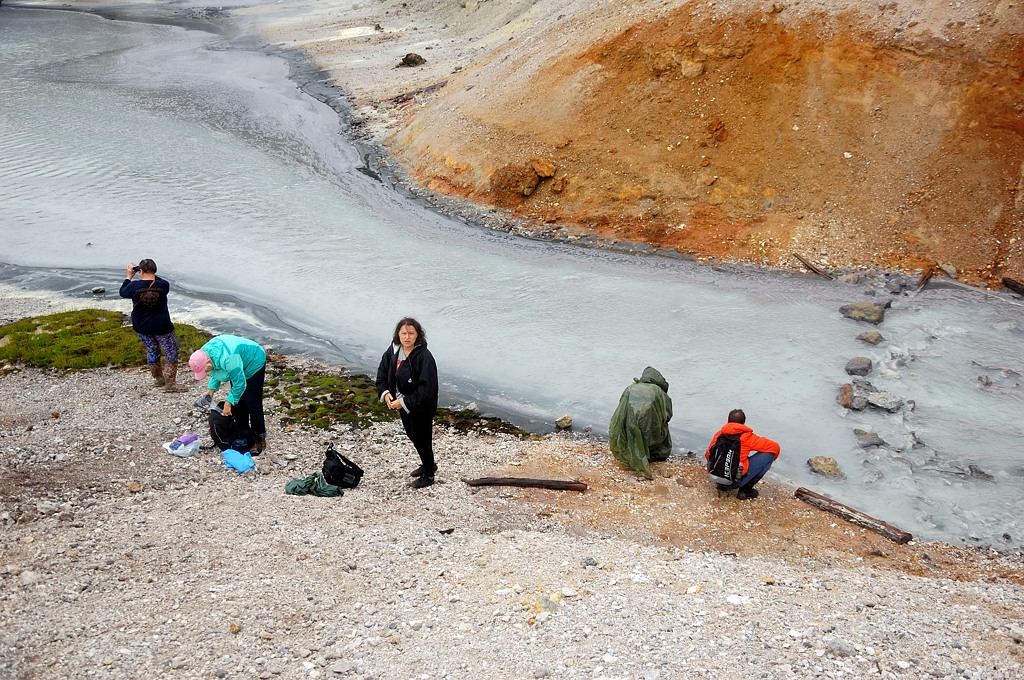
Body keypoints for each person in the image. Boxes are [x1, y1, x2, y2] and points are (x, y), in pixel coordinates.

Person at [375, 317, 439, 489]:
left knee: (421, 437)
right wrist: (386, 393)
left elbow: (427, 390)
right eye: (403, 333)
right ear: (398, 334)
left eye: (411, 333)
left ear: (418, 335)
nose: (407, 337)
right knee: (412, 434)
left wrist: (403, 402)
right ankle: (429, 464)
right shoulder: (393, 351)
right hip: (402, 402)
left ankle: (429, 475)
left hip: (421, 405)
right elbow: (381, 374)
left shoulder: (424, 357)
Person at [189, 335, 268, 454]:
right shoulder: (204, 353)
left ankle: (259, 436)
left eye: (204, 370)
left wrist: (228, 402)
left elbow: (240, 383)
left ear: (207, 361)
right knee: (240, 401)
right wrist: (211, 389)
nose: (205, 372)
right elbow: (216, 369)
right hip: (238, 363)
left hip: (254, 360)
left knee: (252, 400)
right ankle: (245, 432)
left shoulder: (229, 359)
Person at [118, 259, 186, 392]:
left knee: (152, 350)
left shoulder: (134, 286)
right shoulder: (163, 285)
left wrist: (129, 276)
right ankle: (170, 384)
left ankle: (159, 378)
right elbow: (157, 280)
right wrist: (149, 274)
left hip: (141, 325)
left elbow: (122, 292)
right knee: (171, 351)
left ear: (141, 271)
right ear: (155, 270)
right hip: (162, 326)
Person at [608, 366, 673, 480]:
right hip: (651, 438)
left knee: (636, 426)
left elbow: (620, 411)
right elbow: (667, 416)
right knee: (663, 425)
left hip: (629, 433)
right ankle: (653, 454)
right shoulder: (659, 392)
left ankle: (634, 452)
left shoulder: (630, 388)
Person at [705, 408, 781, 500]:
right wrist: (771, 461)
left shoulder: (719, 434)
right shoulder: (747, 437)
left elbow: (708, 455)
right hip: (734, 482)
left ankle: (722, 485)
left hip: (714, 475)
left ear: (728, 421)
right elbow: (774, 447)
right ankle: (745, 489)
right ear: (743, 423)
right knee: (769, 455)